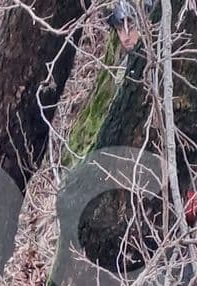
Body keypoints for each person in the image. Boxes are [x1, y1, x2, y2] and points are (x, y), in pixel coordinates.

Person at [65, 0, 153, 166]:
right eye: (119, 30)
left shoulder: (162, 59)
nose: (125, 37)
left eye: (130, 28)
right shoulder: (124, 65)